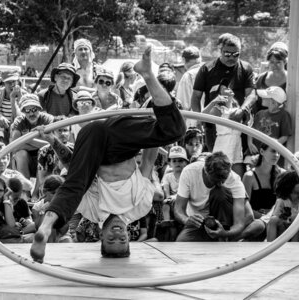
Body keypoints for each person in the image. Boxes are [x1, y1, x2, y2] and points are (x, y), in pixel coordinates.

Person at [30, 46, 186, 262]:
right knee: (175, 130)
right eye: (122, 240)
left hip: (93, 138)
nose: (117, 235)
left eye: (111, 240)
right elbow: (149, 159)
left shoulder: (92, 212)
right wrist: (155, 130)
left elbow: (76, 169)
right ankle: (147, 73)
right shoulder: (140, 208)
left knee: (75, 184)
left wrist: (54, 141)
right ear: (128, 238)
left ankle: (46, 228)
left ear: (101, 236)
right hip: (122, 142)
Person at [174, 151, 265, 242]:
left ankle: (223, 238)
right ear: (206, 172)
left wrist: (226, 233)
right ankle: (223, 240)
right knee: (181, 243)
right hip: (200, 223)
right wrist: (186, 220)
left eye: (223, 180)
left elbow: (239, 223)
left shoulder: (234, 179)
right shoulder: (190, 172)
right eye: (215, 180)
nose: (220, 183)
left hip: (226, 223)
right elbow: (178, 209)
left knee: (220, 191)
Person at [190, 33, 255, 151]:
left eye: (236, 54)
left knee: (237, 163)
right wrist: (198, 118)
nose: (231, 58)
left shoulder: (246, 68)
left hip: (237, 123)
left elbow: (251, 94)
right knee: (215, 161)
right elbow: (195, 97)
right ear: (220, 51)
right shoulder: (207, 68)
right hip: (213, 125)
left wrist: (242, 110)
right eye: (227, 54)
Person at [202, 81, 244, 177]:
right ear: (219, 94)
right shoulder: (218, 109)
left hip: (237, 141)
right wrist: (213, 102)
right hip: (224, 142)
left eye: (228, 86)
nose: (228, 88)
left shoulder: (237, 107)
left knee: (237, 176)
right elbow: (201, 116)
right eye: (224, 88)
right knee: (224, 173)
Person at [11, 94, 54, 179]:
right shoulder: (19, 121)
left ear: (39, 109)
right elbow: (14, 147)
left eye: (34, 109)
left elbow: (52, 144)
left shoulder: (48, 119)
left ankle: (37, 191)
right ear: (23, 111)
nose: (31, 113)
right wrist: (40, 142)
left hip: (47, 161)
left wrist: (28, 139)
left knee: (45, 153)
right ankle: (26, 191)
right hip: (26, 162)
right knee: (20, 154)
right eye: (27, 110)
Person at [247, 86, 292, 167]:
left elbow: (285, 136)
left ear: (273, 102)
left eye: (265, 97)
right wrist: (250, 143)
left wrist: (270, 148)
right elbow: (251, 130)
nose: (262, 98)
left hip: (270, 155)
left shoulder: (284, 115)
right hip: (254, 153)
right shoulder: (260, 113)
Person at [242, 142, 284, 220]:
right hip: (255, 220)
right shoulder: (249, 176)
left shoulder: (282, 175)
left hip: (274, 220)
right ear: (262, 151)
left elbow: (282, 205)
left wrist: (269, 216)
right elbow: (244, 207)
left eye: (279, 152)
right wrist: (264, 217)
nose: (277, 155)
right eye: (273, 151)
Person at [0, 70, 25, 144]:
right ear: (4, 83)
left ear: (17, 82)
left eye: (14, 81)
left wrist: (14, 99)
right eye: (9, 82)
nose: (12, 85)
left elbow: (23, 116)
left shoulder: (24, 95)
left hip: (18, 129)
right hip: (1, 128)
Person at [32, 175, 72, 243]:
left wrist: (59, 213)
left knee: (67, 241)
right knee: (49, 227)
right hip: (45, 236)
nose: (57, 197)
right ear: (45, 192)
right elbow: (38, 227)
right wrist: (43, 212)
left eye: (59, 194)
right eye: (53, 193)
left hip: (61, 236)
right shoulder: (38, 207)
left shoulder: (63, 205)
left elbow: (64, 230)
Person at [267, 171, 299, 242]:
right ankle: (270, 244)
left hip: (298, 231)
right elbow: (277, 216)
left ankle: (294, 246)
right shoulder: (282, 200)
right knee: (273, 220)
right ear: (290, 184)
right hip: (284, 229)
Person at [254, 42, 288, 113]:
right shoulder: (260, 79)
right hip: (260, 119)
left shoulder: (291, 81)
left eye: (278, 62)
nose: (274, 65)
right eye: (272, 62)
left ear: (285, 62)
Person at [176, 46, 202, 127]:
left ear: (183, 59)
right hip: (213, 120)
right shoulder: (209, 71)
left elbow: (183, 105)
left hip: (194, 123)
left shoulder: (188, 76)